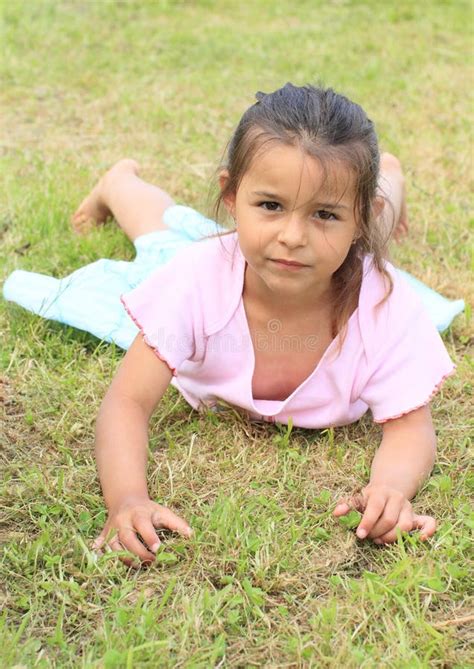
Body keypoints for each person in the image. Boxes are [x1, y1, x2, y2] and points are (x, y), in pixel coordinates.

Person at [3, 84, 459, 568]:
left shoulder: (382, 305)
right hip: (214, 261)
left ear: (358, 217)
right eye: (270, 206)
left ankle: (388, 176)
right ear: (231, 194)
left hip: (352, 244)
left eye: (325, 214)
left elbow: (411, 429)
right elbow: (127, 401)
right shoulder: (196, 280)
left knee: (371, 239)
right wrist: (127, 499)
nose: (292, 236)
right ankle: (118, 184)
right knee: (165, 237)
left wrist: (389, 488)